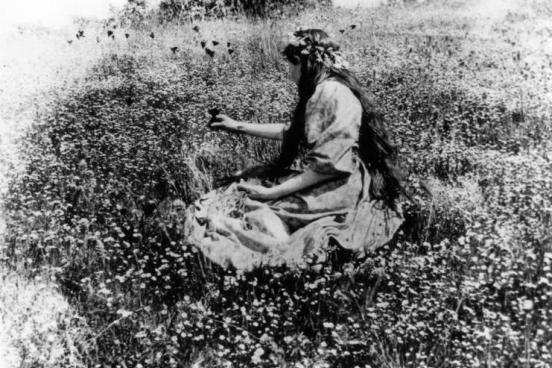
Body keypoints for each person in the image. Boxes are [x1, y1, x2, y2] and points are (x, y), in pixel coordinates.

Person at [184, 28, 404, 270]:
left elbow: (329, 167)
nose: (289, 75)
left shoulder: (328, 94)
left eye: (290, 66)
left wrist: (273, 193)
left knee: (253, 206)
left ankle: (281, 259)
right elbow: (294, 132)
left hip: (336, 186)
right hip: (345, 179)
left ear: (302, 63)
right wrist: (236, 126)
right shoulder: (331, 87)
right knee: (250, 187)